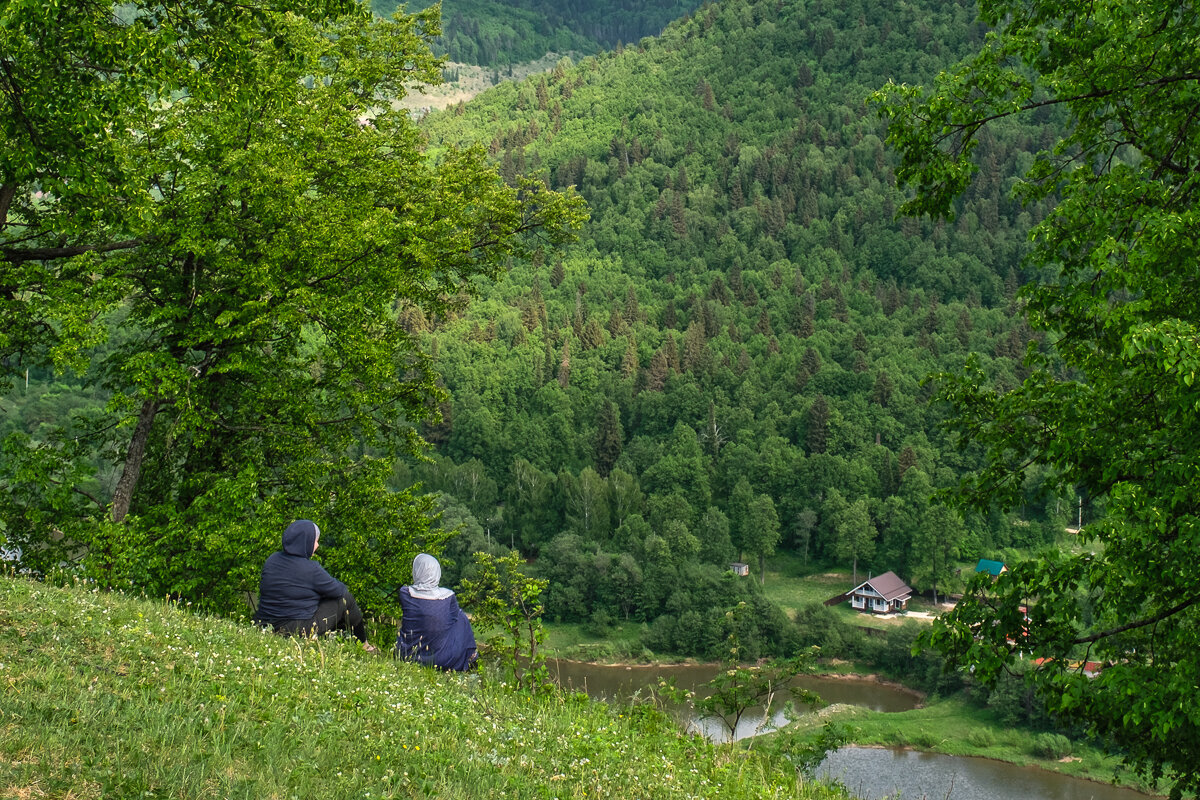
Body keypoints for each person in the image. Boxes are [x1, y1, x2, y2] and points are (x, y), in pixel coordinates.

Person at [254, 519, 377, 652]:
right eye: (315, 541)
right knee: (345, 598)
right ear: (305, 542)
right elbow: (339, 590)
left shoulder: (272, 559)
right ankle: (365, 645)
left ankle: (342, 641)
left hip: (265, 624)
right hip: (296, 630)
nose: (317, 545)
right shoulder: (311, 569)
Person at [395, 553, 477, 671]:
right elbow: (454, 619)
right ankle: (471, 656)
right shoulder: (448, 596)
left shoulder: (405, 593)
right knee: (461, 618)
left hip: (409, 654)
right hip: (442, 659)